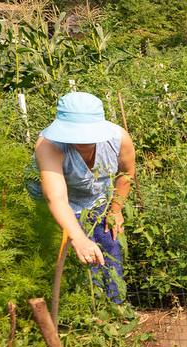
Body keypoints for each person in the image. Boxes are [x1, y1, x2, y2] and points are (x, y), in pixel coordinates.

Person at [32, 92, 136, 305]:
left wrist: (115, 210)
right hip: (59, 202)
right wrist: (78, 238)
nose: (84, 140)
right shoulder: (49, 145)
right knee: (77, 255)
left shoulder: (118, 138)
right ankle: (85, 309)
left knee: (110, 242)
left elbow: (126, 173)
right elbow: (56, 197)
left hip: (98, 196)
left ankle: (114, 307)